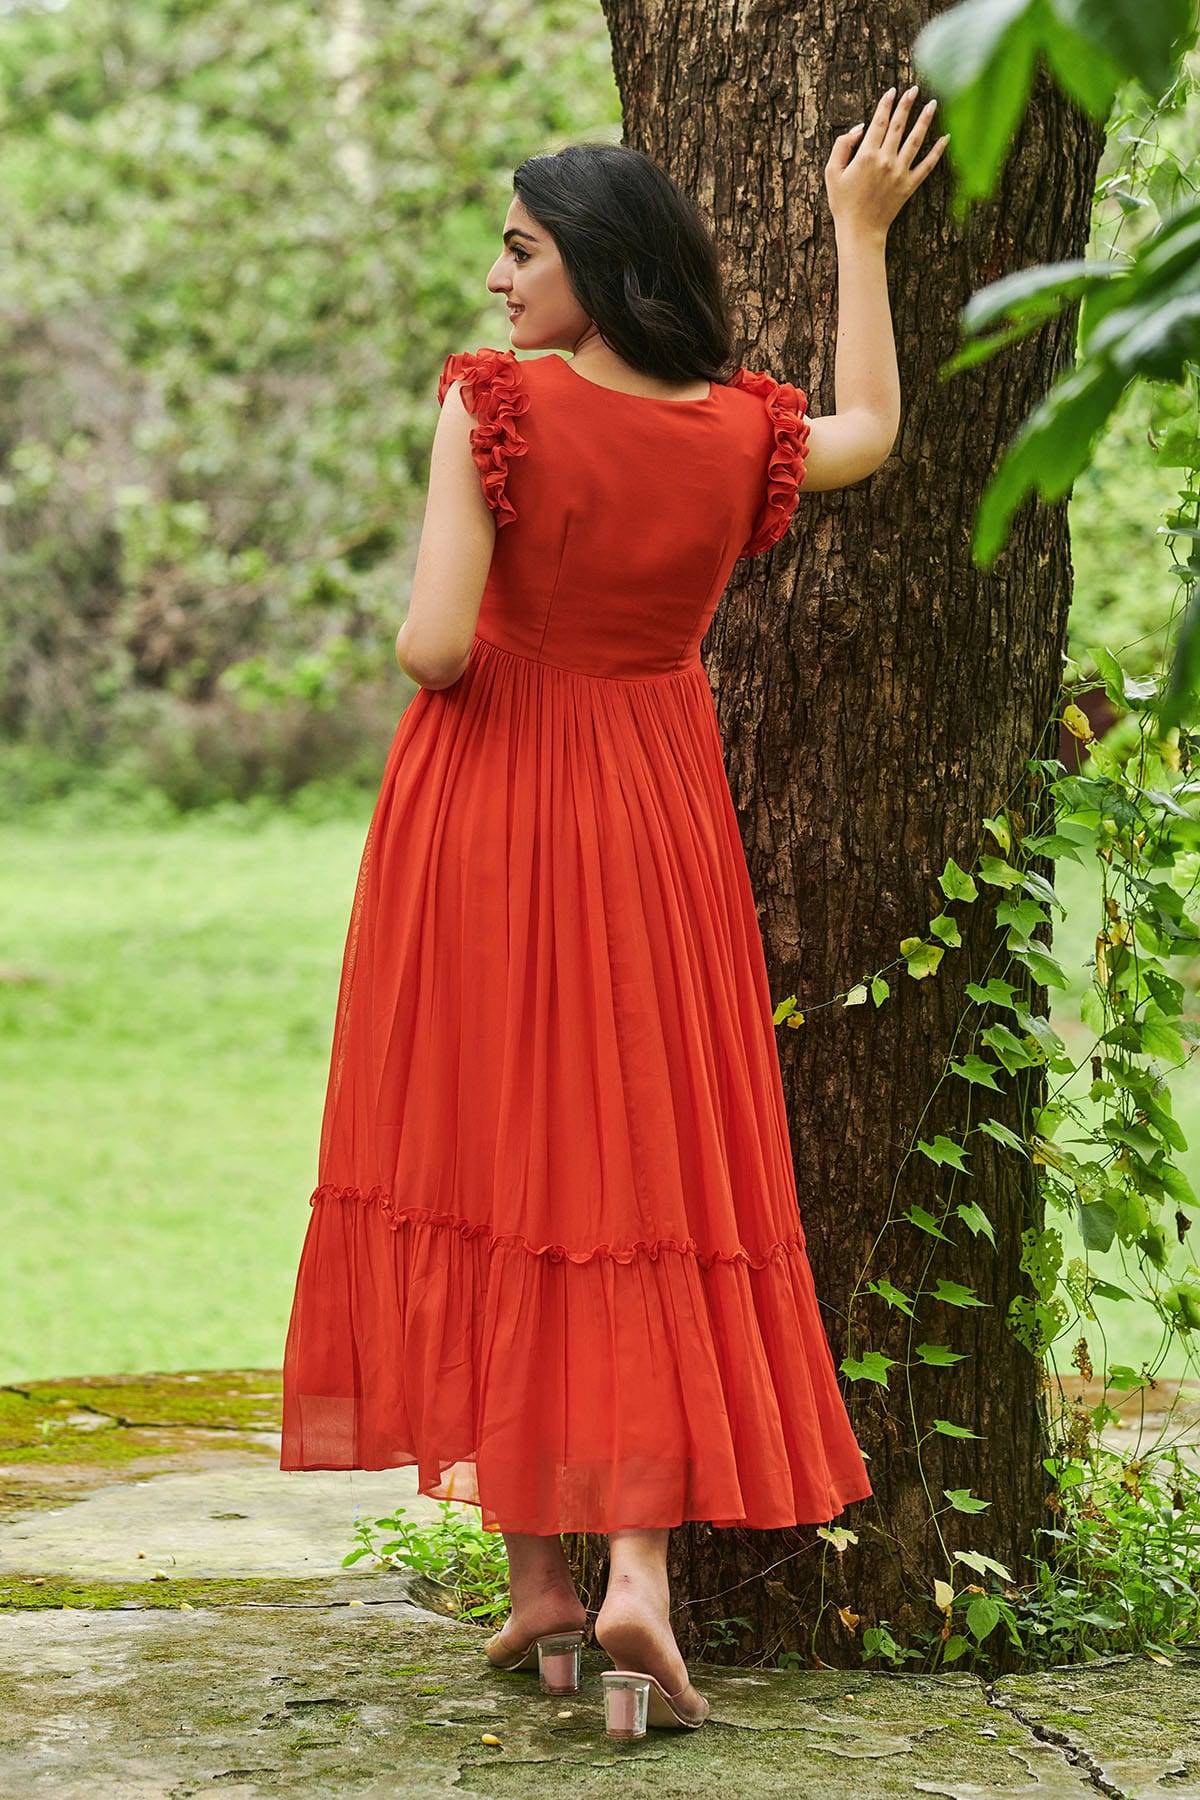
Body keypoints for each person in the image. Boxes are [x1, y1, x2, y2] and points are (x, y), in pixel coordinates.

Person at [280, 84, 948, 1737]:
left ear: (589, 256)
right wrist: (861, 237)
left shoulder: (493, 402)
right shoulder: (738, 427)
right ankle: (627, 1577)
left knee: (496, 1153)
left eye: (519, 250)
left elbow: (438, 647)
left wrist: (446, 611)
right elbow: (870, 428)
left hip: (492, 806)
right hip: (657, 809)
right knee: (639, 1157)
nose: (501, 281)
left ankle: (543, 1594)